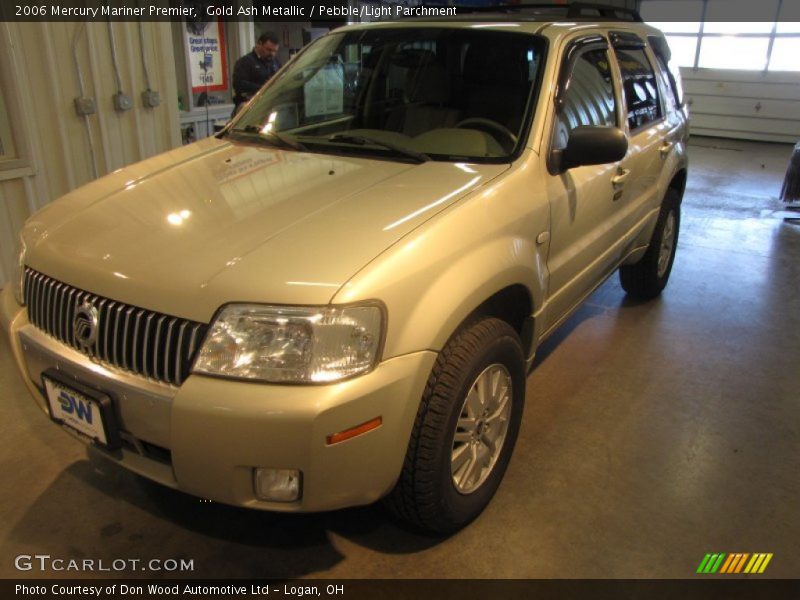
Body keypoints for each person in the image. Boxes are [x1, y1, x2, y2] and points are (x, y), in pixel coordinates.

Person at [232, 32, 281, 116]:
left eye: (274, 51)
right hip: (249, 107)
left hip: (271, 106)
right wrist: (263, 87)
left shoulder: (275, 62)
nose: (272, 54)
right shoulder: (245, 62)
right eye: (269, 50)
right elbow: (238, 84)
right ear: (259, 44)